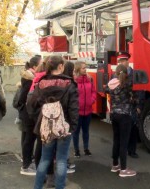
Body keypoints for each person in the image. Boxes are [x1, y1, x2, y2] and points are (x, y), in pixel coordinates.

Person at [27, 55, 79, 189]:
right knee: (61, 160)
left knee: (45, 159)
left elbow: (31, 105)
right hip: (64, 127)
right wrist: (72, 127)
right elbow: (74, 108)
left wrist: (40, 120)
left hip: (46, 127)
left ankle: (37, 187)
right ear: (61, 66)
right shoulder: (69, 84)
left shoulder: (41, 83)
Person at [108, 64, 136, 177]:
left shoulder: (111, 85)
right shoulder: (128, 84)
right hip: (125, 115)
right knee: (124, 142)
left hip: (114, 114)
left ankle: (115, 165)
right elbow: (134, 98)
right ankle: (123, 169)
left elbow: (106, 91)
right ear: (126, 73)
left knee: (116, 140)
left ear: (115, 73)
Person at [116, 51, 143, 159]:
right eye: (120, 61)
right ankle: (122, 150)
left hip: (132, 107)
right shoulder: (116, 75)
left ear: (128, 61)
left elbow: (140, 91)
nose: (122, 63)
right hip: (121, 108)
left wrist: (139, 106)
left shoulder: (134, 74)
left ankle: (132, 151)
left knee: (133, 130)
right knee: (122, 131)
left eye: (124, 60)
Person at [18, 56, 41, 176]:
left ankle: (26, 161)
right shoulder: (30, 79)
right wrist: (29, 110)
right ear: (34, 67)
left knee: (28, 138)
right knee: (29, 139)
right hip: (28, 113)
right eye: (41, 64)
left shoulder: (29, 77)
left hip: (27, 112)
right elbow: (23, 98)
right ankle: (26, 165)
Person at [73, 61, 96, 157]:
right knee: (76, 132)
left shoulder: (89, 79)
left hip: (88, 110)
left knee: (86, 131)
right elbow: (72, 96)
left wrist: (92, 100)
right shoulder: (74, 81)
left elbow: (93, 91)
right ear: (78, 69)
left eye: (85, 67)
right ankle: (76, 150)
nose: (85, 69)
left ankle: (86, 148)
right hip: (77, 111)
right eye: (83, 68)